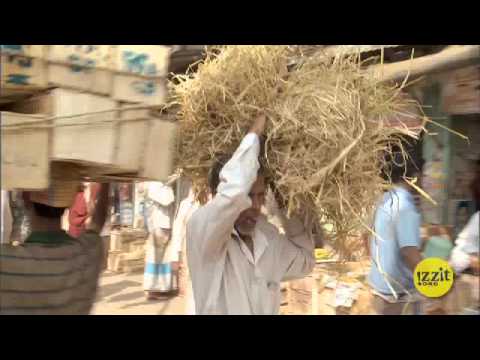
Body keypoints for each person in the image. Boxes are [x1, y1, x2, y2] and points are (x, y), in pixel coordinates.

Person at [186, 114, 315, 315]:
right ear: (216, 194)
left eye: (260, 195)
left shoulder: (268, 238)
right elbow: (233, 193)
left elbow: (306, 261)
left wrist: (287, 203)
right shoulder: (203, 233)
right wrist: (255, 132)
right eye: (249, 195)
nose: (255, 205)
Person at [0, 183, 109, 315]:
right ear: (70, 203)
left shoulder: (6, 262)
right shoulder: (87, 253)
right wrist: (106, 182)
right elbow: (97, 223)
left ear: (25, 200)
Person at [368, 152, 424, 315]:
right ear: (413, 176)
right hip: (398, 298)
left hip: (381, 290)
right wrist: (431, 281)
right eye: (422, 174)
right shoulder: (405, 206)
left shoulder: (385, 199)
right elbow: (409, 253)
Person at [143, 182, 175, 300]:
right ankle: (152, 289)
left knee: (165, 258)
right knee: (155, 258)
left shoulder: (162, 186)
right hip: (158, 226)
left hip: (165, 225)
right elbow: (167, 199)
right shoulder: (154, 185)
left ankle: (162, 288)